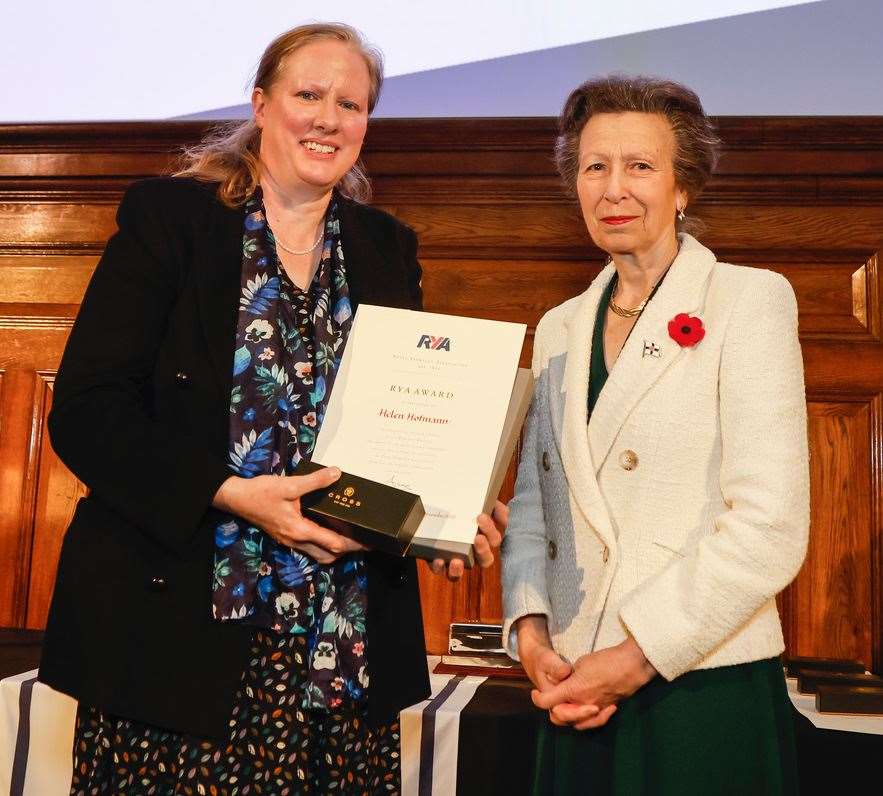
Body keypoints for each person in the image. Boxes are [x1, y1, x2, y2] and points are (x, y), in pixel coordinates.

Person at [39, 23, 503, 795]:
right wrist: (229, 494)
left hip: (340, 642)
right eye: (308, 95)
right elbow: (87, 411)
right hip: (183, 633)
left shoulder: (386, 247)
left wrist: (443, 518)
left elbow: (405, 432)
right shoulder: (172, 222)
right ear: (261, 104)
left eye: (350, 104)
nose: (328, 118)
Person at [502, 75, 809, 795]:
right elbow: (531, 508)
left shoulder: (747, 301)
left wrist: (637, 655)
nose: (614, 189)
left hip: (695, 680)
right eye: (594, 166)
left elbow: (770, 524)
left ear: (683, 187)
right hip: (577, 682)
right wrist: (530, 631)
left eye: (639, 166)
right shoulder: (558, 328)